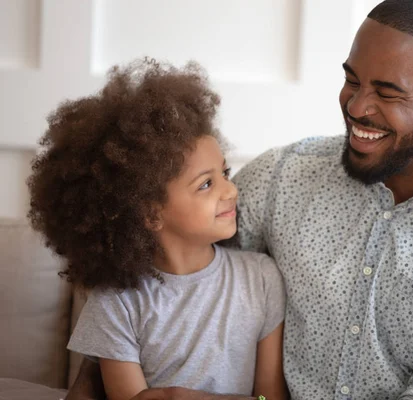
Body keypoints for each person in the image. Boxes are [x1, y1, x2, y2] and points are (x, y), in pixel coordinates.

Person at [66, 1, 413, 399]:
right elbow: (166, 268)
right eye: (352, 80)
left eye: (387, 92)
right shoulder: (283, 176)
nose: (356, 107)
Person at [27, 59, 286, 400]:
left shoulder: (261, 279)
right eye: (206, 184)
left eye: (225, 172)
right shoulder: (115, 301)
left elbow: (271, 396)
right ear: (150, 215)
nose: (231, 190)